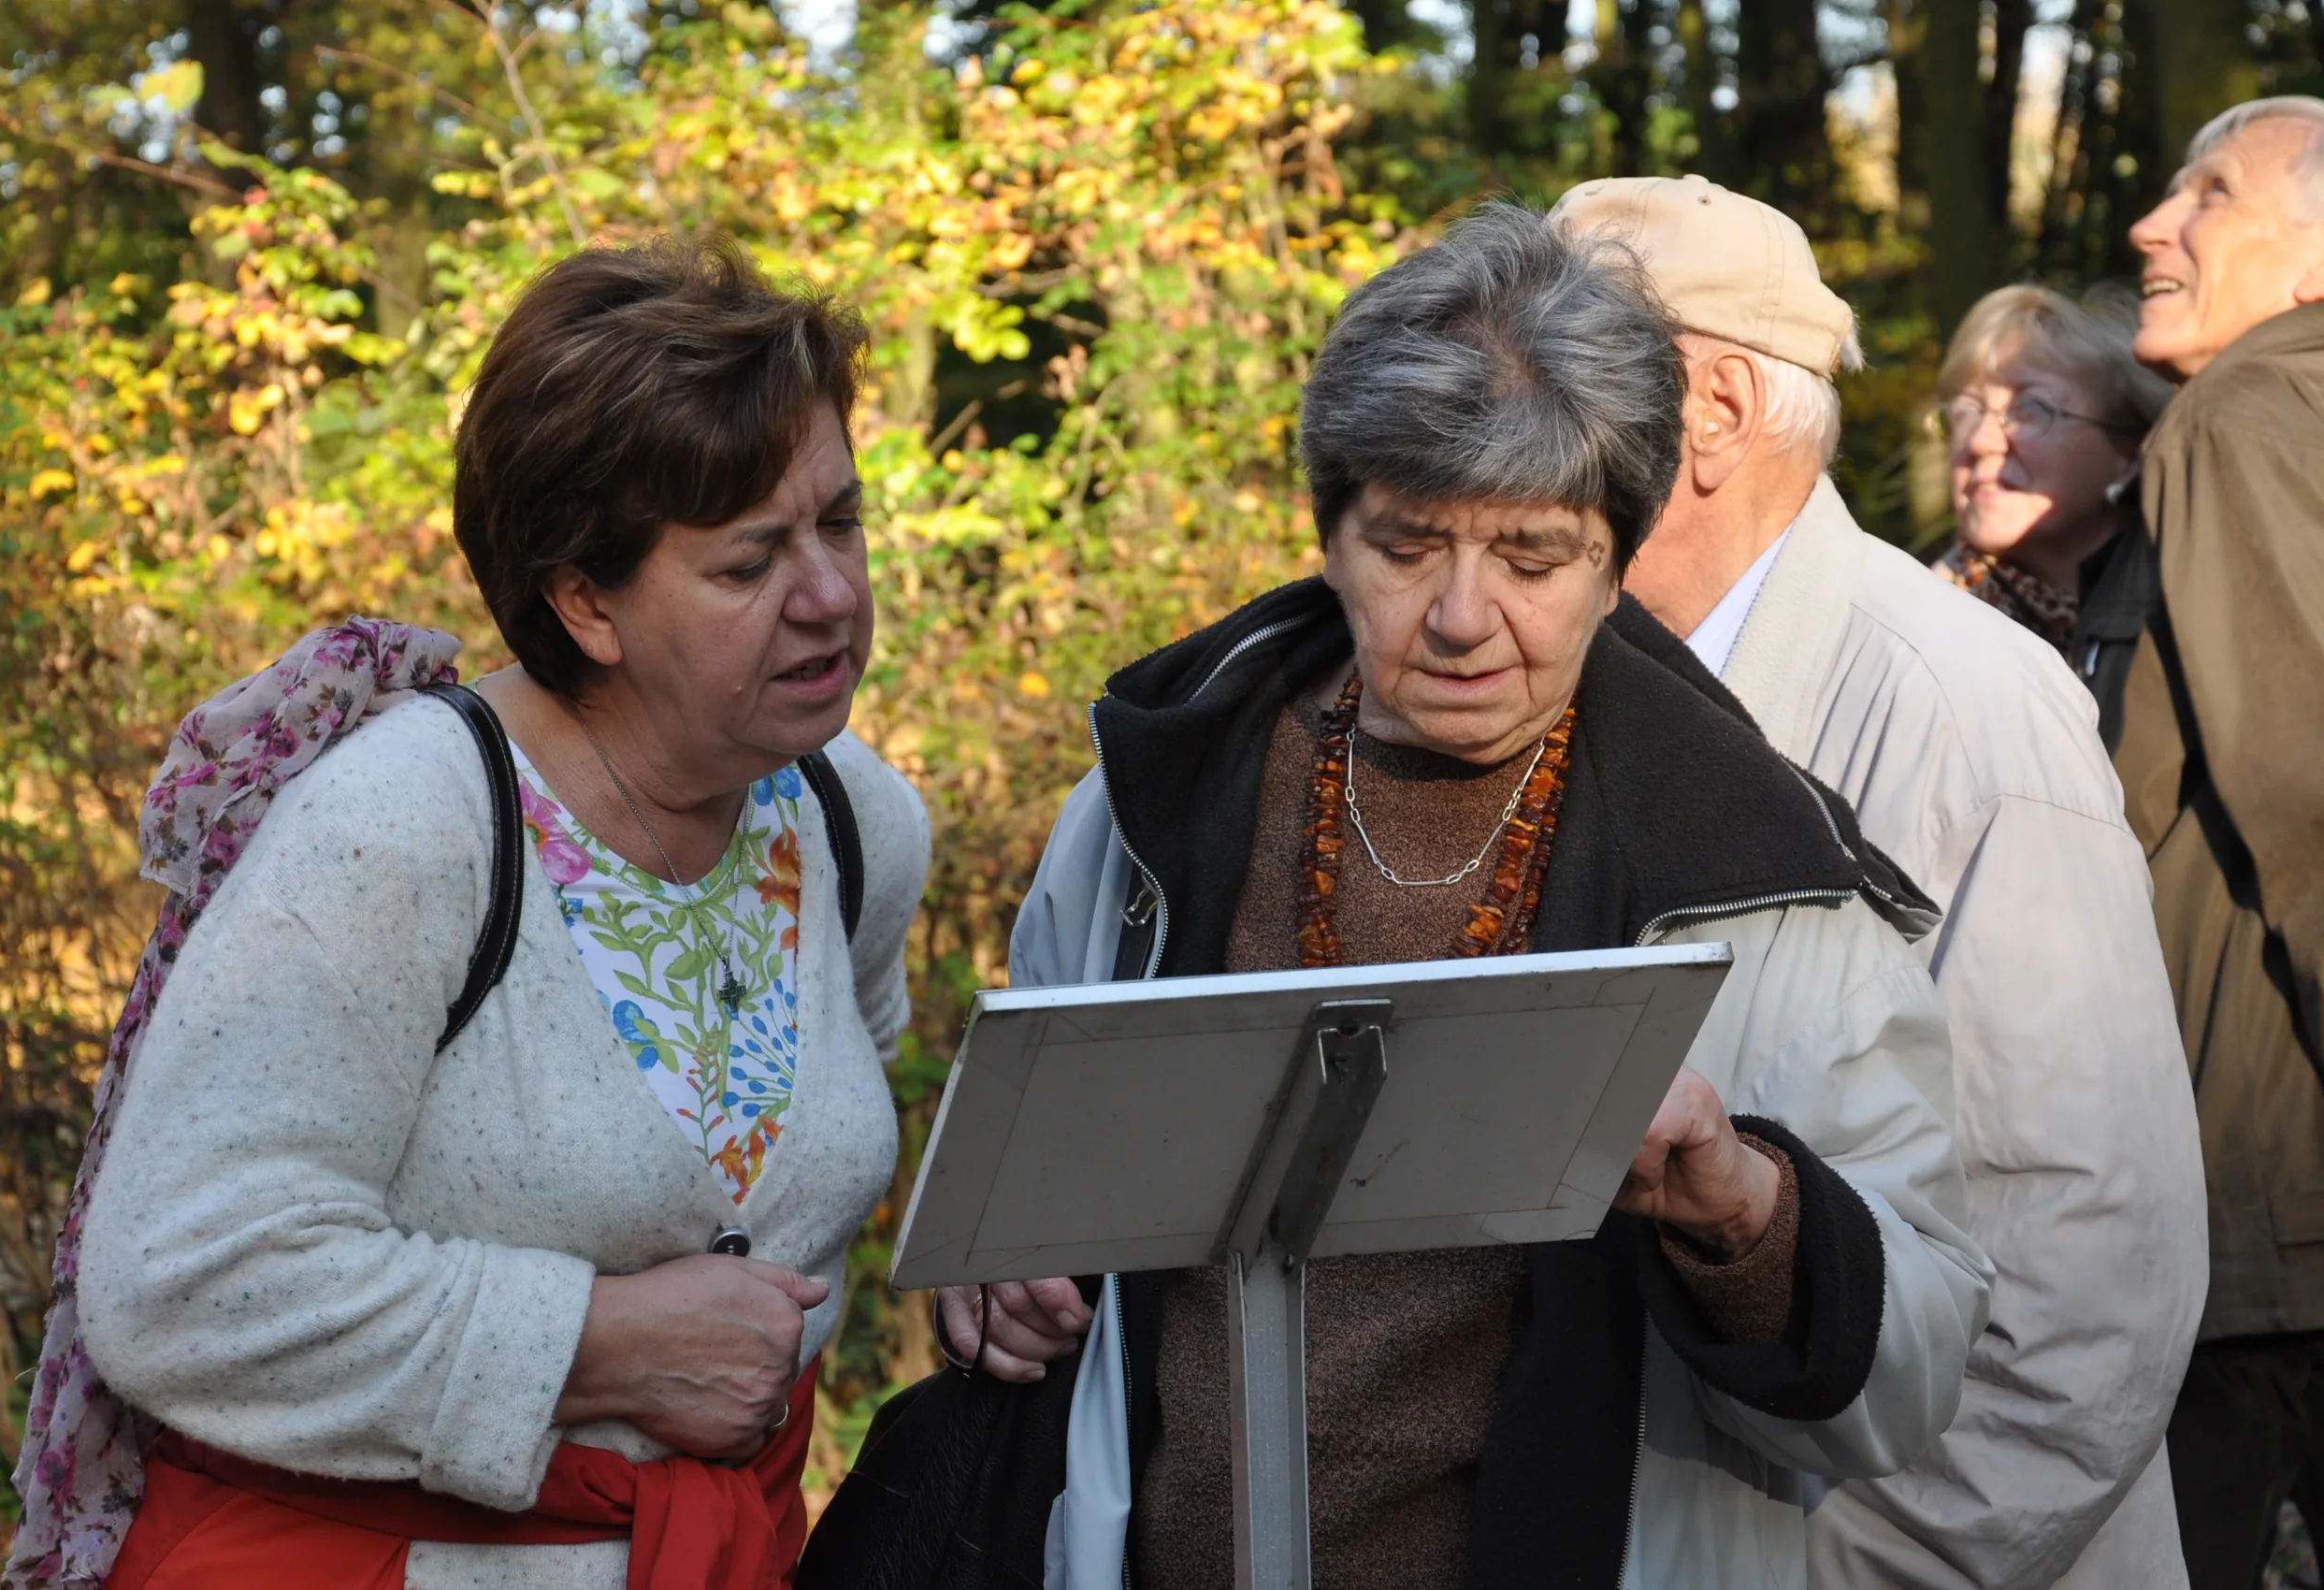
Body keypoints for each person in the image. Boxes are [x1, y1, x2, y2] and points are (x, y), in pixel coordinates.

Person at [806, 201, 1988, 1590]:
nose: (1465, 616)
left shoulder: (1760, 880)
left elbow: (1914, 1380)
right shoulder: (1148, 811)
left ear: (1618, 563)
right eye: (1412, 545)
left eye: (1534, 557)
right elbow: (1029, 1227)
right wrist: (1001, 1283)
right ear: (1328, 533)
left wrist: (1746, 1214)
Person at [12, 239, 931, 1590]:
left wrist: (978, 1264)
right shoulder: (405, 831)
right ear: (584, 601)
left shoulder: (853, 824)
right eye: (749, 564)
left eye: (840, 524)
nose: (833, 596)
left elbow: (811, 1154)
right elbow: (174, 1283)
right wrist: (592, 1346)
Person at [1546, 173, 2206, 1589]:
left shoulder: (1970, 712)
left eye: (1555, 366)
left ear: (1713, 412)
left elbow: (2080, 1290)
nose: (1499, 413)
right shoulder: (1559, 679)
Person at [2115, 94, 2324, 1590]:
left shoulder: (2249, 412)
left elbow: (2309, 792)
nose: (2151, 223)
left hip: (2268, 1196)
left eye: (2212, 196)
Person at [1931, 283, 2172, 747]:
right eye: (1968, 410)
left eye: (2031, 408)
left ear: (2130, 447)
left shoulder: (2181, 610)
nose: (1981, 442)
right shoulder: (1922, 628)